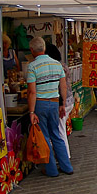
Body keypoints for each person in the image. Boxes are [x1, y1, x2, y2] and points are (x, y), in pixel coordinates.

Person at [27, 36, 73, 176]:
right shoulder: (57, 64)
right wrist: (62, 104)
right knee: (56, 135)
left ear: (31, 50)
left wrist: (31, 112)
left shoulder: (32, 66)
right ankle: (67, 167)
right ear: (44, 48)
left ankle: (51, 170)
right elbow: (63, 86)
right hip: (54, 102)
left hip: (40, 104)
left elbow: (32, 92)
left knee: (45, 137)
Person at [45, 42, 74, 159]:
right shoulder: (63, 65)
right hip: (69, 101)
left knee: (60, 130)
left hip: (62, 102)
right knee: (60, 129)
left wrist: (60, 103)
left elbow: (60, 87)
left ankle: (65, 156)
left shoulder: (56, 67)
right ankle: (63, 155)